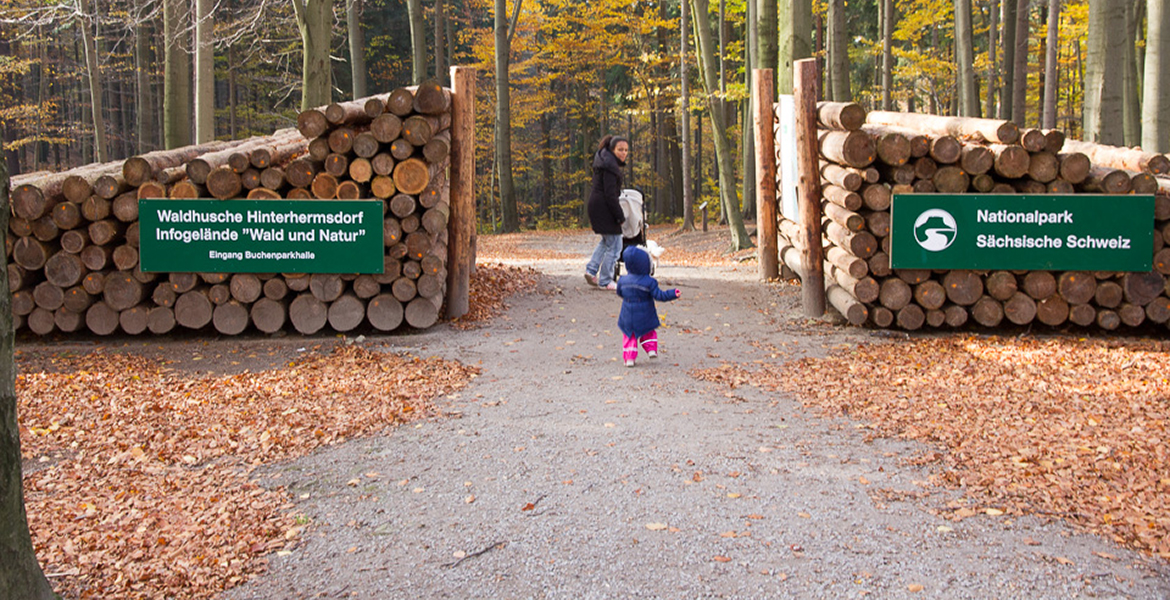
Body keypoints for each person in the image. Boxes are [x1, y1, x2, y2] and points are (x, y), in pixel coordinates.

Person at [615, 245, 681, 367]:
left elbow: (619, 292)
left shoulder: (622, 281)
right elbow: (659, 295)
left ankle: (629, 358)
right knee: (648, 331)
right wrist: (672, 293)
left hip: (627, 313)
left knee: (629, 335)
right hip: (645, 312)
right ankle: (651, 350)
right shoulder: (650, 282)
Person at [584, 135, 629, 290]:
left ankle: (591, 271)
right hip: (603, 207)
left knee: (606, 242)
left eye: (626, 150)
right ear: (612, 149)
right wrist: (620, 216)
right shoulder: (610, 167)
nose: (623, 153)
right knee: (616, 245)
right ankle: (606, 280)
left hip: (596, 205)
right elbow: (610, 195)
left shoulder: (604, 161)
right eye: (620, 150)